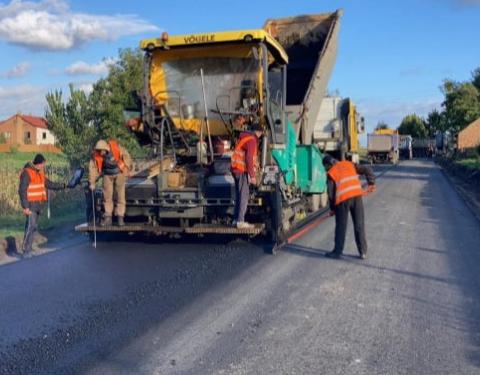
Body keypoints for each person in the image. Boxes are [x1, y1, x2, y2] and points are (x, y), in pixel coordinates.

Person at [323, 155, 376, 260]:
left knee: (341, 227)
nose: (326, 169)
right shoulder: (349, 164)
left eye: (325, 167)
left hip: (343, 199)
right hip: (356, 196)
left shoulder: (331, 172)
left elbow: (331, 193)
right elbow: (366, 169)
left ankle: (337, 252)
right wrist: (371, 182)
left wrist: (333, 209)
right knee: (359, 224)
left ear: (328, 165)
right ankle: (363, 252)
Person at [18, 153, 67, 258]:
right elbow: (22, 191)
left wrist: (62, 186)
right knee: (31, 226)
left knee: (33, 227)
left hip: (37, 205)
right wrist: (25, 207)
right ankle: (26, 251)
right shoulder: (27, 173)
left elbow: (49, 184)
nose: (43, 166)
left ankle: (29, 248)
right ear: (38, 163)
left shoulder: (40, 173)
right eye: (42, 164)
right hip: (30, 205)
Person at [88, 139, 132, 227]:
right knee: (107, 197)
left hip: (119, 173)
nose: (100, 153)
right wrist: (92, 182)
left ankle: (120, 217)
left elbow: (126, 156)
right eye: (98, 151)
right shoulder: (96, 155)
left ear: (105, 149)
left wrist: (127, 167)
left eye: (101, 150)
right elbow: (92, 169)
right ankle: (108, 217)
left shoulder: (116, 148)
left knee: (120, 196)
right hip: (107, 175)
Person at [231, 123, 263, 229]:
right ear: (258, 132)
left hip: (236, 169)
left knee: (239, 195)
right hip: (241, 170)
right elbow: (249, 158)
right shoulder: (252, 140)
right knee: (244, 195)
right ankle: (240, 221)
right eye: (261, 133)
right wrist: (252, 175)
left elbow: (248, 157)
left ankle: (235, 220)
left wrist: (255, 164)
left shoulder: (245, 137)